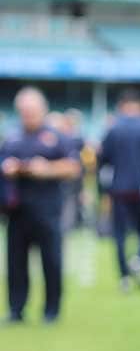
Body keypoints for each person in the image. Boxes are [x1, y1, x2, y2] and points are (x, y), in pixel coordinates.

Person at [1, 87, 81, 323]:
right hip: (17, 210)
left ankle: (51, 310)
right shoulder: (12, 137)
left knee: (51, 261)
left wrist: (46, 169)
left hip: (48, 209)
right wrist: (11, 167)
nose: (28, 115)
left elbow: (74, 167)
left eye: (32, 111)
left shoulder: (57, 137)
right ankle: (16, 309)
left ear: (42, 110)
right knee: (15, 263)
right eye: (24, 111)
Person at [98, 88, 140, 291]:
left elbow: (103, 159)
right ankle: (139, 256)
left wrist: (102, 191)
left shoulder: (113, 129)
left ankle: (124, 277)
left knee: (120, 234)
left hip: (119, 189)